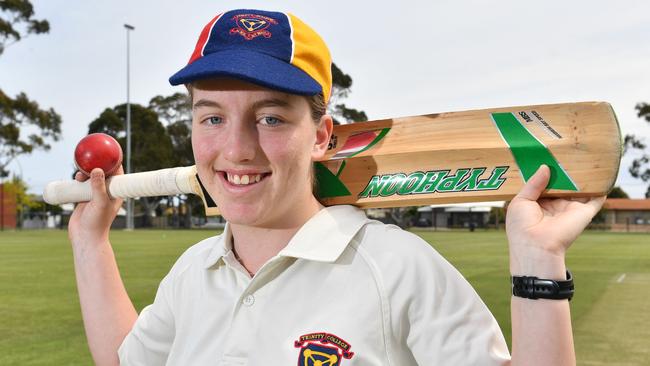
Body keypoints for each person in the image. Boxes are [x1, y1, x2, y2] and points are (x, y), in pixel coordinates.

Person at [67, 8, 605, 366]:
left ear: (321, 135)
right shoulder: (191, 273)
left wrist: (538, 264)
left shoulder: (397, 268)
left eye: (271, 118)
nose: (236, 150)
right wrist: (91, 242)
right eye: (211, 119)